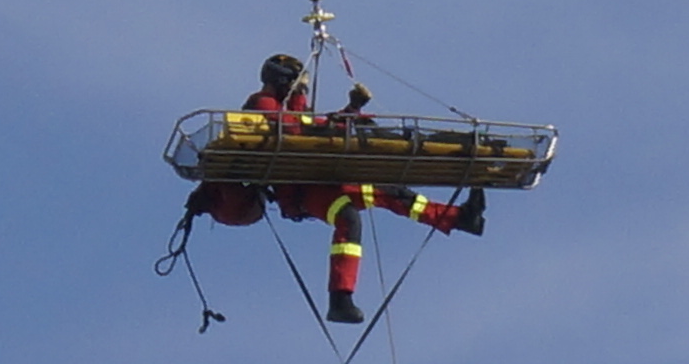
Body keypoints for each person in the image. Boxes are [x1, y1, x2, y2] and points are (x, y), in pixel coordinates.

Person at [181, 52, 486, 324]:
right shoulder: (263, 103)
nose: (300, 88)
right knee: (348, 217)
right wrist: (310, 99)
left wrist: (352, 110)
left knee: (392, 192)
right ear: (282, 81)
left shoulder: (285, 107)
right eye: (296, 82)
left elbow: (315, 128)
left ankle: (459, 218)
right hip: (300, 189)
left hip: (319, 177)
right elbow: (294, 130)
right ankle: (340, 300)